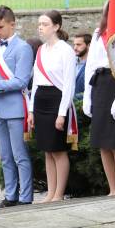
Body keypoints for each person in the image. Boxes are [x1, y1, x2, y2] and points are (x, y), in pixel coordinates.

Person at [0, 6, 34, 208]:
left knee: (20, 155)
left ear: (13, 23)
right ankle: (11, 195)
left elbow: (21, 81)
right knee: (5, 157)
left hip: (16, 109)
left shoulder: (23, 48)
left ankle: (25, 196)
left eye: (1, 27)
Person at [28, 10, 77, 202]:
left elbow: (68, 85)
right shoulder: (41, 50)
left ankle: (59, 193)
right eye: (39, 23)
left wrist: (62, 113)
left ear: (56, 27)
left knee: (58, 149)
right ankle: (50, 192)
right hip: (41, 99)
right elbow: (36, 82)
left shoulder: (66, 50)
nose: (41, 27)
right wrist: (31, 110)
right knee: (47, 149)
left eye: (45, 24)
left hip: (57, 100)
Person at [83, 1, 115, 196]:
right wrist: (88, 96)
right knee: (103, 141)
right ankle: (112, 188)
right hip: (100, 84)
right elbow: (90, 66)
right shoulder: (98, 34)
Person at [73, 33, 91, 100]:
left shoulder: (93, 65)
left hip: (82, 105)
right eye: (74, 44)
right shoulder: (71, 62)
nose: (75, 48)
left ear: (89, 45)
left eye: (78, 45)